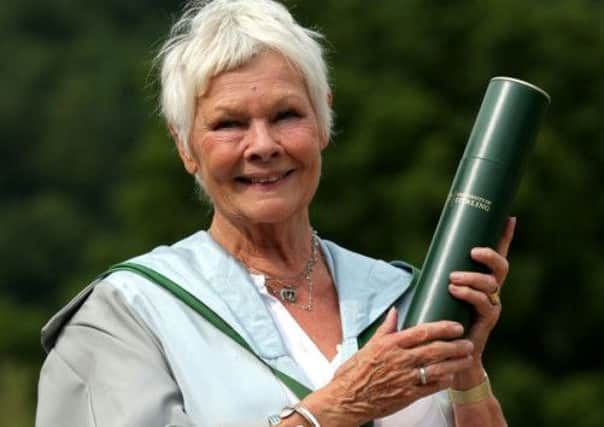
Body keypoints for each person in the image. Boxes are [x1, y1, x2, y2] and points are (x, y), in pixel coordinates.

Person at [35, 0, 514, 426]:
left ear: (323, 119)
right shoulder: (125, 318)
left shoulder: (405, 300)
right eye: (229, 124)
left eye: (286, 115)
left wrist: (466, 368)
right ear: (184, 146)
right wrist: (332, 411)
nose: (262, 146)